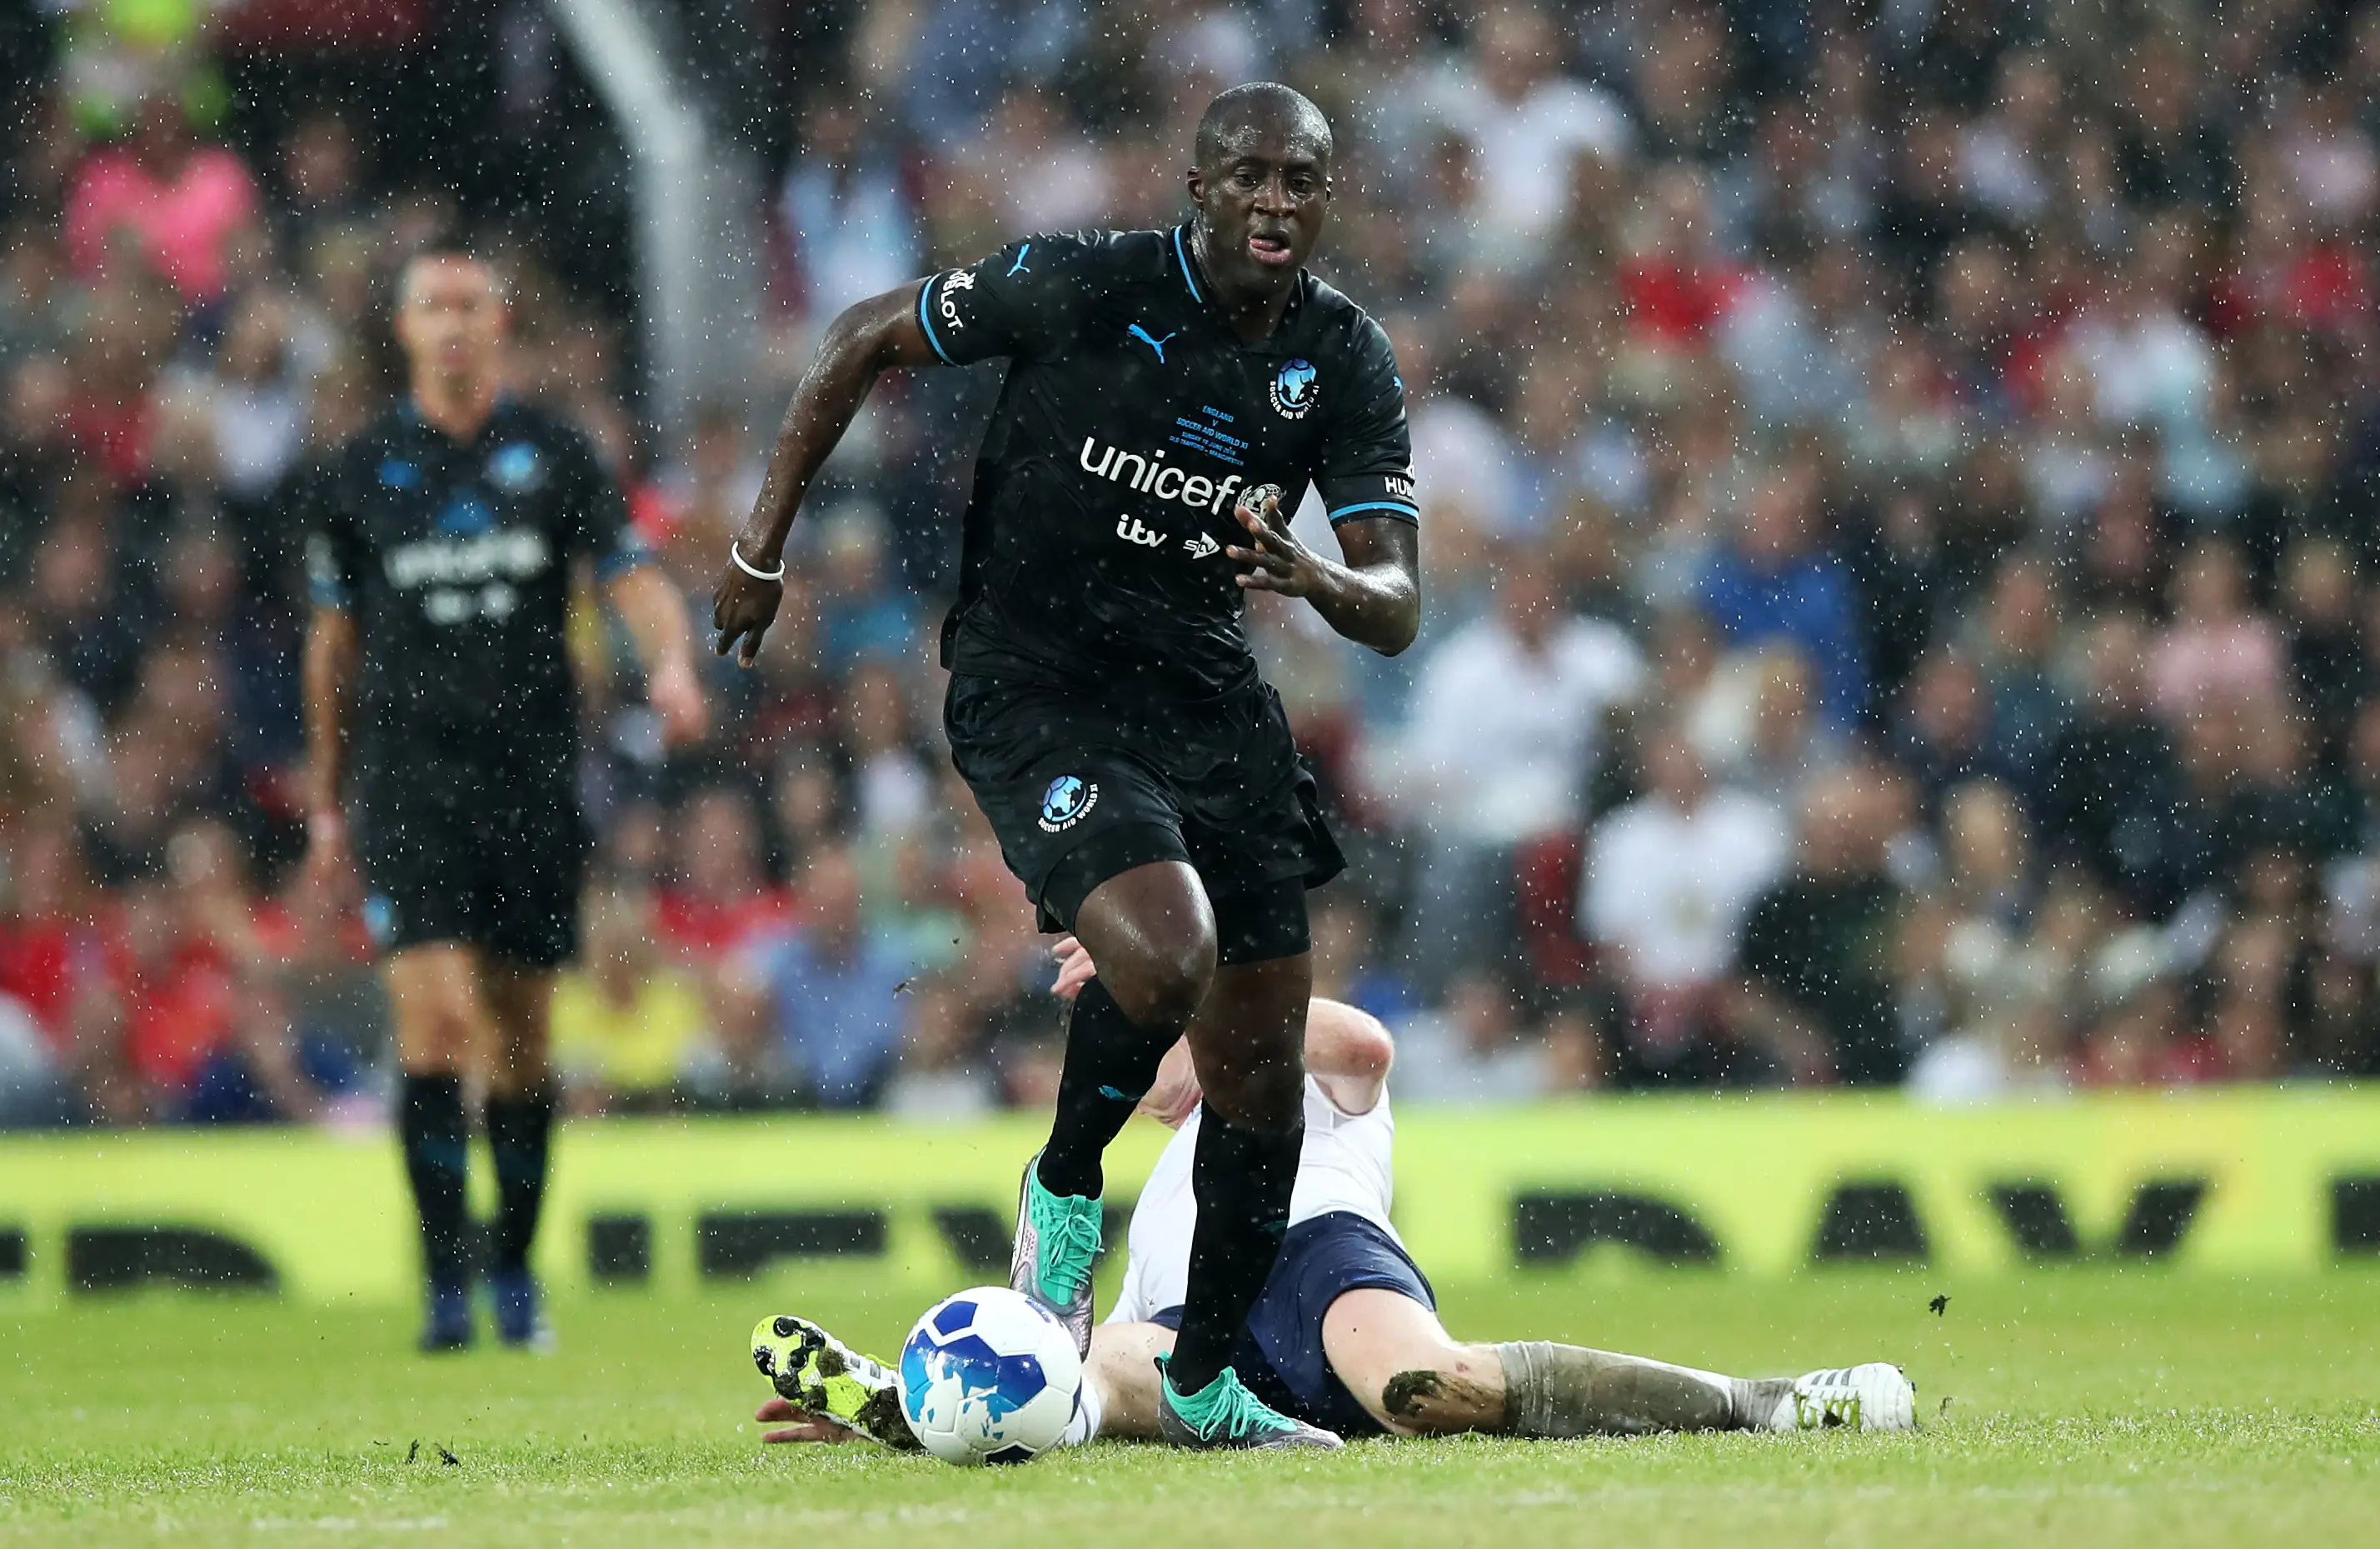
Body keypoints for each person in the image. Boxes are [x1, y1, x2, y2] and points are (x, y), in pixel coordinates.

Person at [711, 83, 1421, 1451]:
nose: (1276, 201)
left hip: (1209, 703)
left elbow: (1396, 602)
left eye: (1302, 180)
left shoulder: (1342, 355)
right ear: (1200, 187)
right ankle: (1065, 1183)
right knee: (1168, 953)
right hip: (1039, 686)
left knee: (1260, 1071)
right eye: (1251, 175)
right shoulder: (1087, 283)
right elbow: (864, 336)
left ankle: (1205, 1384)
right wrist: (759, 547)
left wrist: (1316, 574)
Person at [747, 937, 1917, 1450]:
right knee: (1096, 1363)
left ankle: (1764, 1403)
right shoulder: (1151, 1184)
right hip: (1193, 1332)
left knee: (1421, 1387)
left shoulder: (1302, 1074)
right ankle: (938, 1412)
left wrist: (1189, 987)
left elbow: (1367, 1047)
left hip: (1316, 1265)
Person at [302, 244, 706, 1352]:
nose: (452, 323)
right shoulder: (358, 469)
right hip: (408, 783)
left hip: (530, 780)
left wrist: (671, 665)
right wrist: (329, 800)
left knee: (522, 1038)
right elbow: (333, 646)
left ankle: (515, 1271)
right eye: (431, 306)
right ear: (403, 328)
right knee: (436, 1023)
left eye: (470, 305)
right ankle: (446, 1285)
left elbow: (630, 573)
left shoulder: (557, 453)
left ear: (500, 322)